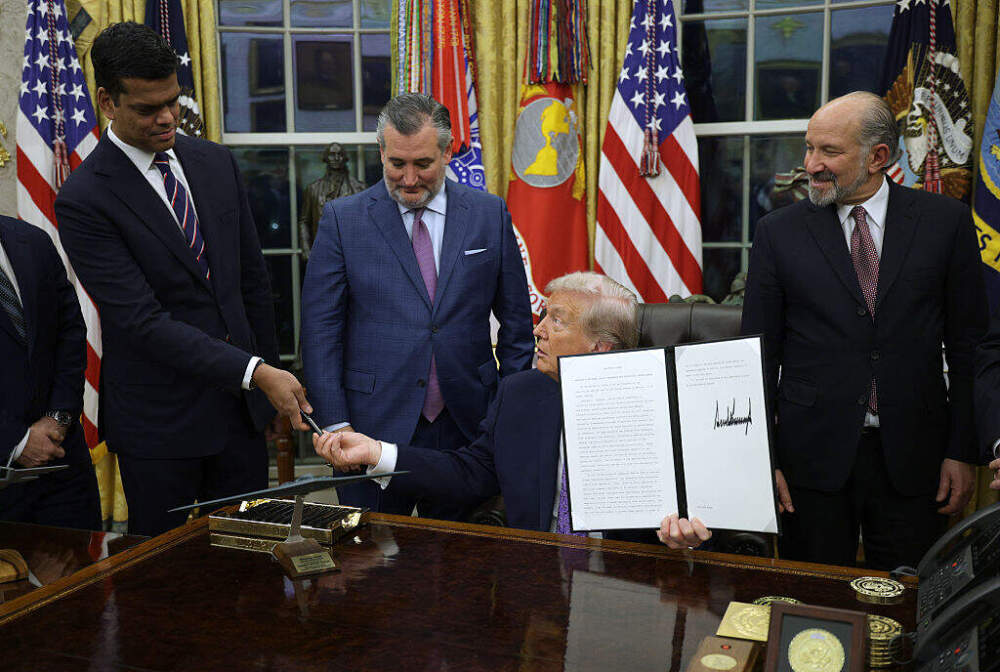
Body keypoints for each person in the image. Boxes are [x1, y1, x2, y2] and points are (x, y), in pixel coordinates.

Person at [55, 22, 311, 537]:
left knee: (250, 572)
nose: (169, 117)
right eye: (148, 109)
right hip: (159, 431)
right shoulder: (84, 199)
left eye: (173, 100)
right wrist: (256, 371)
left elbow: (253, 285)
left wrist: (267, 390)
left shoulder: (214, 163)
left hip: (240, 420)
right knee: (164, 590)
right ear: (107, 101)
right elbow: (142, 321)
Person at [741, 91, 988, 570]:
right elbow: (758, 355)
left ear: (878, 157)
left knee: (905, 605)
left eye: (828, 151)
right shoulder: (778, 232)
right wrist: (761, 458)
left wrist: (962, 450)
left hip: (916, 459)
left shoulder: (945, 224)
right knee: (810, 606)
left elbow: (969, 347)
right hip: (809, 461)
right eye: (809, 147)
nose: (810, 164)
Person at [313, 272, 712, 549]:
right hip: (535, 579)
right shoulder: (522, 393)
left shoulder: (657, 407)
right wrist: (375, 452)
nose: (538, 330)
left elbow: (690, 507)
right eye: (543, 316)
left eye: (557, 321)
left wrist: (684, 537)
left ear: (600, 347)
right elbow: (469, 472)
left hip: (628, 582)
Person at [301, 93, 535, 520]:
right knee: (369, 567)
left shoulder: (488, 214)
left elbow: (518, 326)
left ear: (448, 152)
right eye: (396, 164)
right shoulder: (342, 219)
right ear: (381, 152)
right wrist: (335, 425)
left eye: (423, 164)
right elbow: (319, 334)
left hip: (468, 426)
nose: (408, 179)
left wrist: (508, 413)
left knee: (462, 567)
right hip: (368, 425)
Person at [0, 215, 101, 530]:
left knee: (87, 575)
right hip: (4, 479)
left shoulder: (31, 239)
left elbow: (69, 332)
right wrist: (15, 441)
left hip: (63, 464)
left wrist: (58, 417)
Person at [298, 142, 366, 260]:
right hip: (323, 250)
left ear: (345, 158)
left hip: (352, 252)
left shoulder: (360, 188)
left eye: (339, 154)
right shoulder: (313, 189)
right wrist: (305, 247)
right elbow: (304, 221)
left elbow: (368, 223)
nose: (336, 158)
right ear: (325, 158)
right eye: (331, 154)